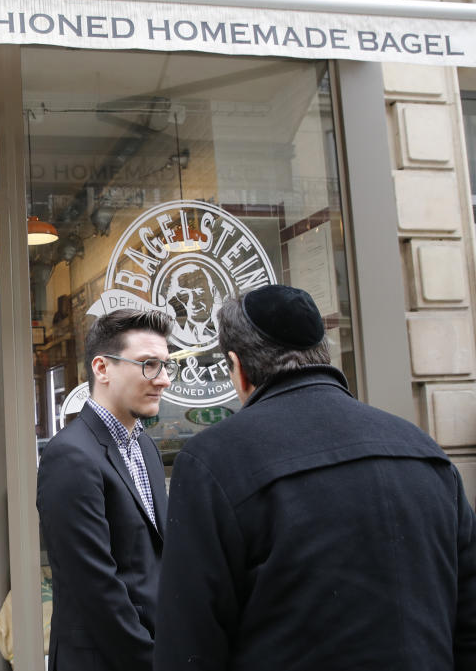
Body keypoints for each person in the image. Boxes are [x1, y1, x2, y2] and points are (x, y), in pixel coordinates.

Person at [154, 285, 476, 670]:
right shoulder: (422, 448)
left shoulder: (213, 460)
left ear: (237, 368)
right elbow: (468, 620)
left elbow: (190, 643)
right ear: (324, 353)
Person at [37, 308, 177, 671]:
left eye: (166, 365)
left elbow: (154, 560)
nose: (162, 380)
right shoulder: (70, 454)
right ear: (102, 369)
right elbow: (95, 589)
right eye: (148, 364)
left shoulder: (144, 445)